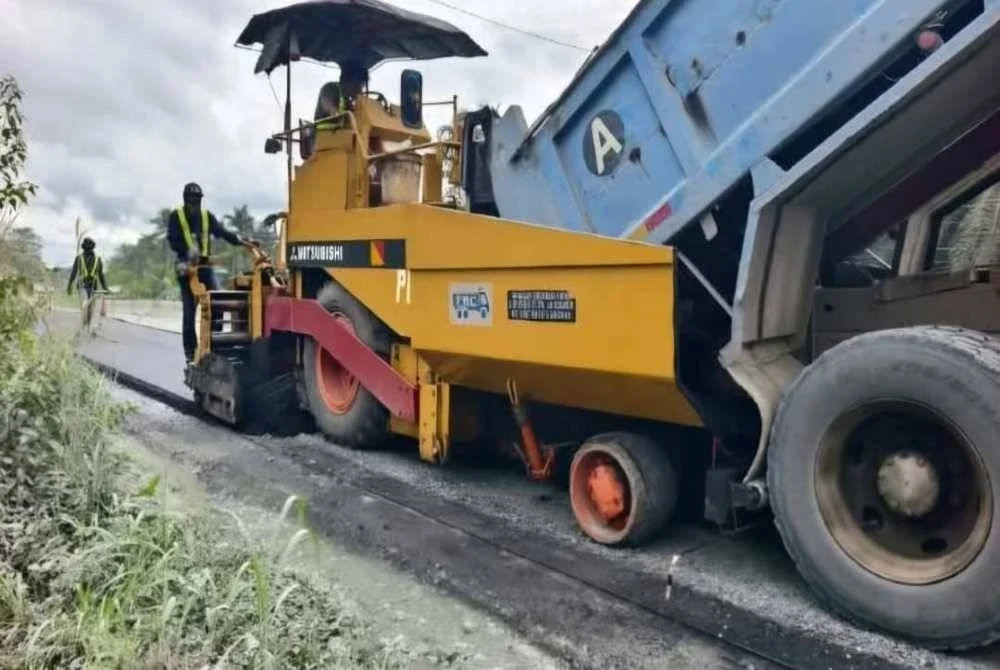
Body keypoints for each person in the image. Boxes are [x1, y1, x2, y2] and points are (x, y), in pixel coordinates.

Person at [166, 182, 248, 363]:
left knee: (217, 301)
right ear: (186, 199)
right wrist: (187, 250)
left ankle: (214, 343)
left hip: (205, 266)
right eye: (192, 200)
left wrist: (240, 240)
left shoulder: (206, 216)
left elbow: (222, 232)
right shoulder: (176, 216)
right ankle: (190, 351)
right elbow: (172, 240)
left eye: (198, 199)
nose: (195, 203)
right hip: (186, 266)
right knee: (189, 311)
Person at [301, 60, 369, 159]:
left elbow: (356, 117)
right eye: (359, 85)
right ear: (349, 80)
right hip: (322, 140)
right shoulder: (330, 88)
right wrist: (336, 112)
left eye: (362, 86)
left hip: (338, 139)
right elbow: (328, 105)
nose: (360, 90)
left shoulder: (347, 99)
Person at [66, 236, 109, 302]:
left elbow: (101, 275)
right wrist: (69, 286)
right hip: (82, 285)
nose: (87, 249)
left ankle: (88, 311)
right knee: (85, 303)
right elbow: (73, 273)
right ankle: (86, 309)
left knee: (90, 308)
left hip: (93, 286)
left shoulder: (98, 259)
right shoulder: (79, 258)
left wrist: (105, 288)